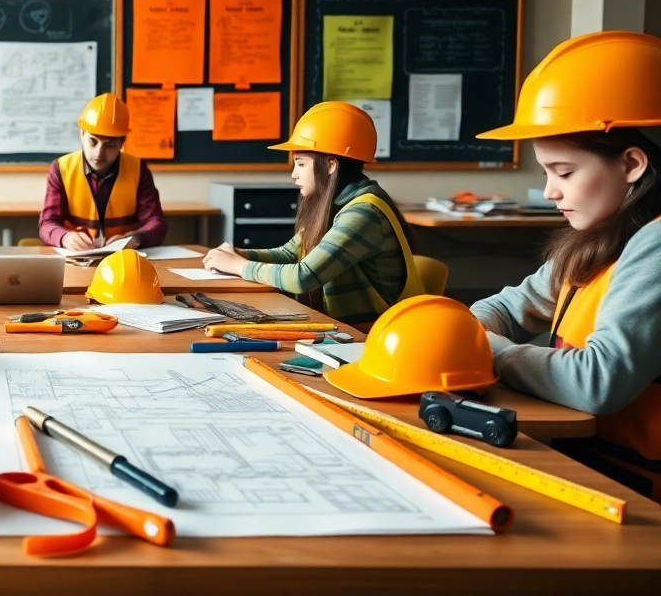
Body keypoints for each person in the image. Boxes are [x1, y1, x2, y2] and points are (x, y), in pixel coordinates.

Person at [470, 31, 661, 501]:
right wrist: (465, 332)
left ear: (632, 163)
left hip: (637, 492)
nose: (551, 191)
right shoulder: (600, 237)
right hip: (595, 466)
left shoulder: (655, 242)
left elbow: (600, 381)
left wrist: (488, 350)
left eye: (565, 172)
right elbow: (512, 305)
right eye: (546, 172)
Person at [201, 102, 423, 329]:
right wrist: (239, 254)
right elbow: (291, 253)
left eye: (300, 164)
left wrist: (238, 266)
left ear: (330, 165)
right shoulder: (339, 203)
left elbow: (302, 277)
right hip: (350, 330)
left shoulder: (363, 213)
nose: (294, 175)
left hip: (377, 335)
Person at [39, 93, 167, 251]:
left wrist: (135, 239)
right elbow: (47, 224)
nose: (99, 153)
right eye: (93, 141)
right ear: (82, 134)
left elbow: (156, 223)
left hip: (124, 260)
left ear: (122, 142)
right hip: (76, 260)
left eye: (110, 145)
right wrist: (65, 238)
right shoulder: (61, 169)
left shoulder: (139, 170)